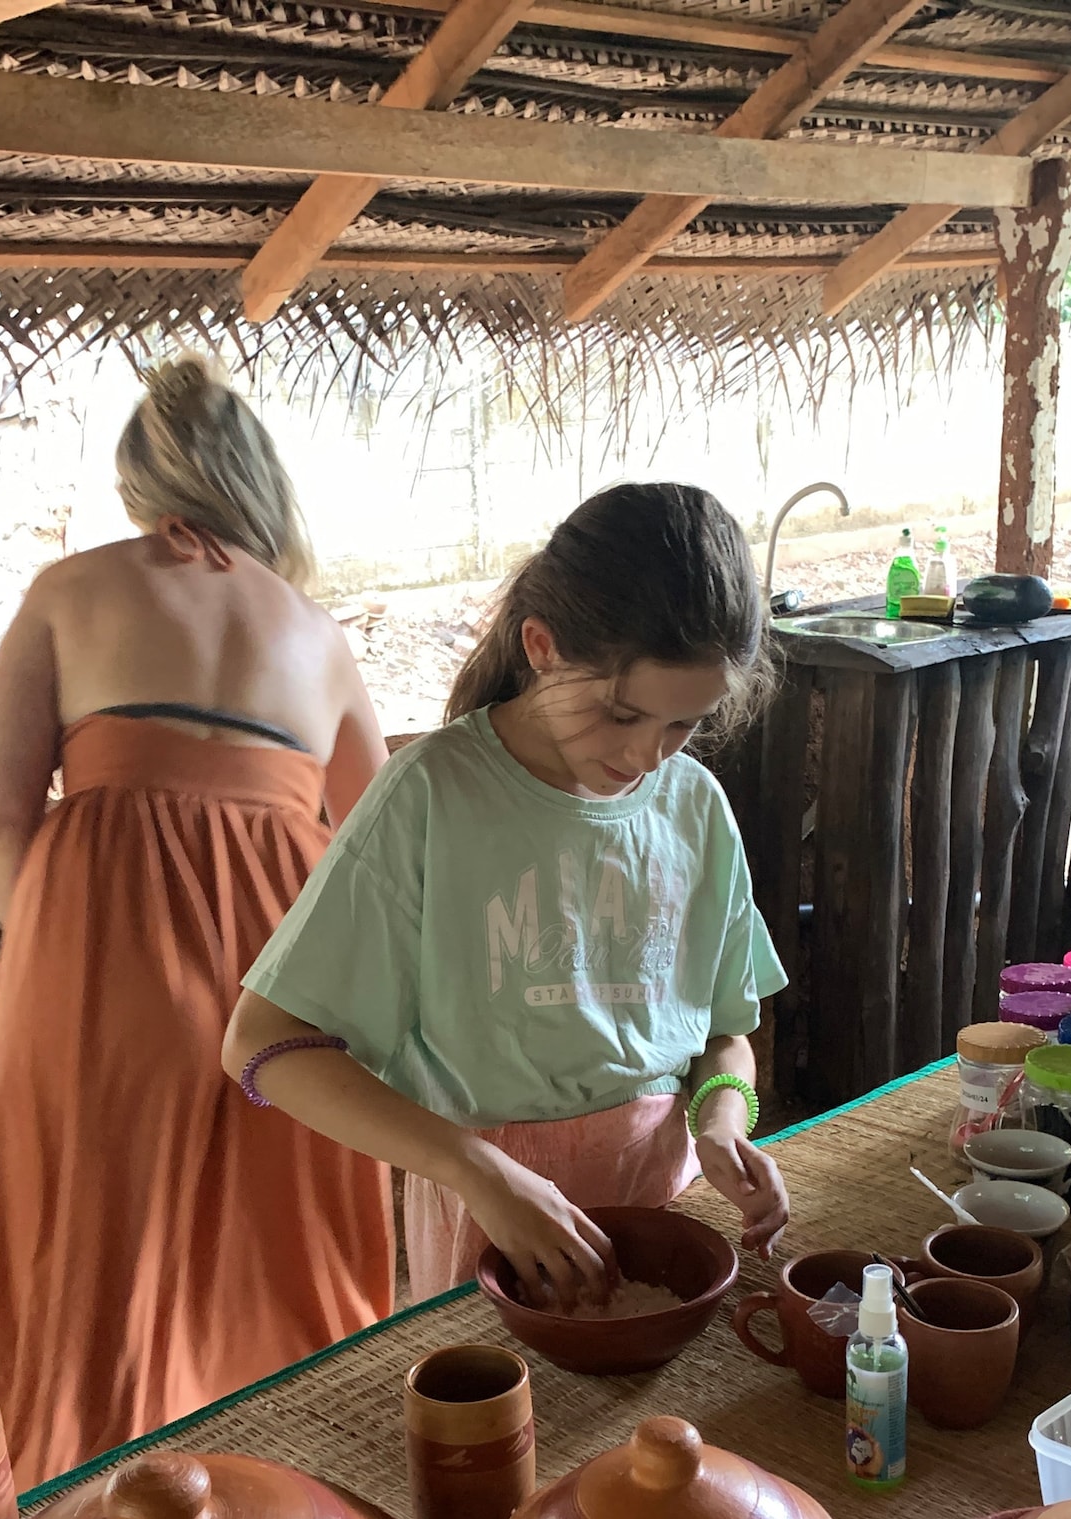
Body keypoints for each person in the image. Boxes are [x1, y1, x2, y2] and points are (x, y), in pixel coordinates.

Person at [0, 356, 394, 1490]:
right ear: (262, 487)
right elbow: (380, 855)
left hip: (94, 964)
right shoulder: (318, 633)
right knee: (282, 1267)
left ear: (141, 487)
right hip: (286, 986)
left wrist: (69, 956)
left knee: (96, 1268)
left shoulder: (67, 591)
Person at [224, 482, 789, 1306]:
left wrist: (720, 1122)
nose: (646, 757)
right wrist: (476, 1170)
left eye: (681, 726)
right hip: (489, 1221)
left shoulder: (694, 806)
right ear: (541, 645)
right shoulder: (431, 796)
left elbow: (726, 1034)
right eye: (620, 714)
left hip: (667, 1202)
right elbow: (260, 1044)